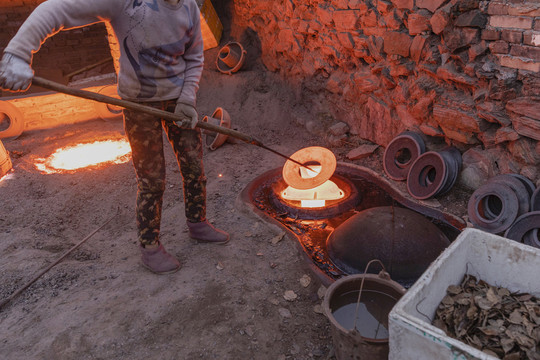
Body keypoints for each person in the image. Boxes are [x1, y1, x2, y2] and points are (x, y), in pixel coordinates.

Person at [0, 0, 229, 275]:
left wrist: (188, 99)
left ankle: (197, 223)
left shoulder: (188, 6)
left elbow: (194, 58)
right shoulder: (126, 3)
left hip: (179, 103)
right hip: (137, 105)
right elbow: (57, 9)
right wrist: (18, 52)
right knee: (152, 180)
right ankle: (150, 246)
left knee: (194, 167)